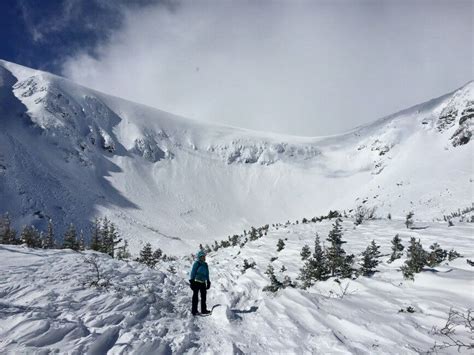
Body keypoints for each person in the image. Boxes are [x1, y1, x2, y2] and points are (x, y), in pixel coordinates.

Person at [189, 250, 211, 315]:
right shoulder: (197, 263)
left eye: (204, 256)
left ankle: (203, 310)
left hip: (203, 282)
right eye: (202, 256)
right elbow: (193, 272)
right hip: (196, 282)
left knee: (203, 297)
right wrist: (192, 281)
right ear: (199, 257)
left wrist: (208, 281)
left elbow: (207, 273)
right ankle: (194, 310)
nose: (204, 257)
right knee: (195, 297)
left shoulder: (205, 265)